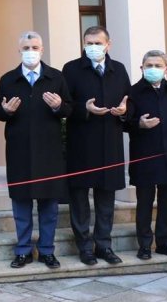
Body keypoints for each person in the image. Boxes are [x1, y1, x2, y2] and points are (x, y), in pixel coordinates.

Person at [0, 32, 70, 270]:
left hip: (49, 152)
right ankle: (23, 250)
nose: (30, 51)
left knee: (49, 205)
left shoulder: (56, 77)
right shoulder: (8, 79)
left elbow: (70, 109)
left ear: (42, 50)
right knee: (21, 204)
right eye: (26, 48)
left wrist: (59, 106)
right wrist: (6, 111)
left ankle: (47, 250)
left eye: (35, 47)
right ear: (19, 50)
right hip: (19, 151)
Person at [62, 25, 131, 266]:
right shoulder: (71, 69)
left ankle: (104, 245)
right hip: (81, 143)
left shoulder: (118, 69)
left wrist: (124, 110)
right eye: (89, 43)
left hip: (110, 142)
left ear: (108, 45)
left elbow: (129, 101)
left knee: (106, 198)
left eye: (98, 43)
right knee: (79, 198)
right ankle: (84, 246)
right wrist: (85, 108)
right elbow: (64, 106)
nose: (93, 47)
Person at [124, 50, 167, 261]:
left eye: (158, 65)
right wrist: (139, 124)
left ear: (166, 69)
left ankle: (165, 243)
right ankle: (144, 245)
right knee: (144, 202)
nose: (153, 69)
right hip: (145, 156)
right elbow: (124, 122)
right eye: (149, 65)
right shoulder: (132, 92)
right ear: (142, 68)